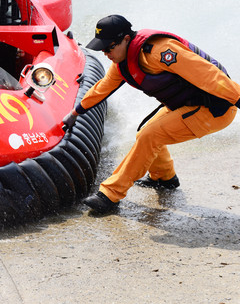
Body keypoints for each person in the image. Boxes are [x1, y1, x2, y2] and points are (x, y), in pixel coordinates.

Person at [62, 15, 240, 213]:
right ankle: (165, 177)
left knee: (151, 135)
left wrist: (237, 96)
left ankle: (110, 195)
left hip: (215, 108)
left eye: (109, 47)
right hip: (187, 105)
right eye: (102, 49)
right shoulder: (121, 63)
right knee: (145, 133)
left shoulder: (161, 51)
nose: (105, 53)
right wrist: (75, 113)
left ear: (126, 40)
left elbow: (208, 75)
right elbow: (102, 88)